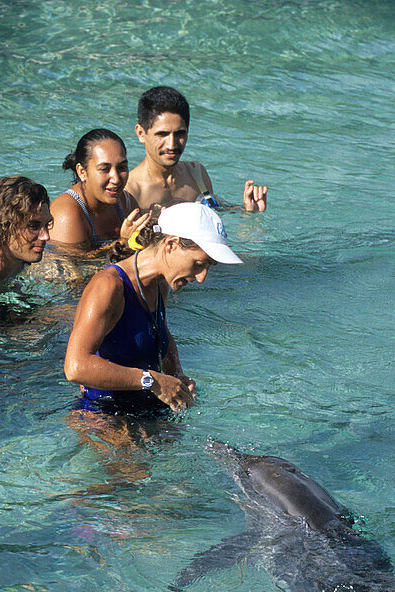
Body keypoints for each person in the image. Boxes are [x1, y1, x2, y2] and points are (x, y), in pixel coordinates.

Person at [64, 202, 242, 414]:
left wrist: (177, 376)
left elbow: (160, 334)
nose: (202, 278)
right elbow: (75, 367)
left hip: (143, 410)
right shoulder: (108, 286)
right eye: (198, 264)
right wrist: (153, 381)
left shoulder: (159, 285)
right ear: (171, 245)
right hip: (101, 414)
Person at [124, 86, 268, 212]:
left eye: (180, 133)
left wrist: (247, 210)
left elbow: (214, 212)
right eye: (162, 134)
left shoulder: (196, 175)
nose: (171, 145)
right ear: (141, 134)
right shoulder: (130, 192)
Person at [49, 129, 151, 256]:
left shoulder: (126, 203)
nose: (116, 179)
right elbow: (73, 270)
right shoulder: (67, 213)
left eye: (122, 168)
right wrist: (123, 243)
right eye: (104, 169)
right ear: (82, 171)